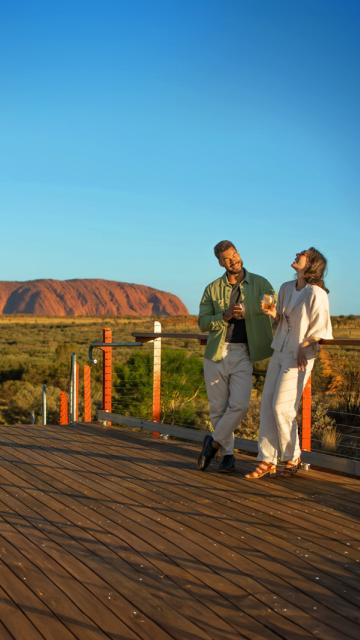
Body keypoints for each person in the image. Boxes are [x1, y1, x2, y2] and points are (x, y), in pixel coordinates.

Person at [245, 247, 333, 480]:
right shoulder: (285, 288)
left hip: (300, 357)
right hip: (280, 351)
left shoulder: (317, 293)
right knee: (266, 407)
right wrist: (273, 313)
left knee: (282, 408)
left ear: (312, 263)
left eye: (302, 253)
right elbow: (283, 322)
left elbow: (321, 327)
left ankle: (292, 455)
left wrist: (305, 346)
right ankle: (266, 459)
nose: (297, 254)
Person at [197, 240, 274, 472]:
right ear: (220, 263)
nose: (234, 260)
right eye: (227, 259)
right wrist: (225, 315)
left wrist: (251, 311)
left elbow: (275, 310)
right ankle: (228, 454)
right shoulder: (212, 289)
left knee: (239, 405)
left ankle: (212, 443)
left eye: (235, 254)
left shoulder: (261, 283)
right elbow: (202, 323)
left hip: (243, 351)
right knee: (218, 408)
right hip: (216, 352)